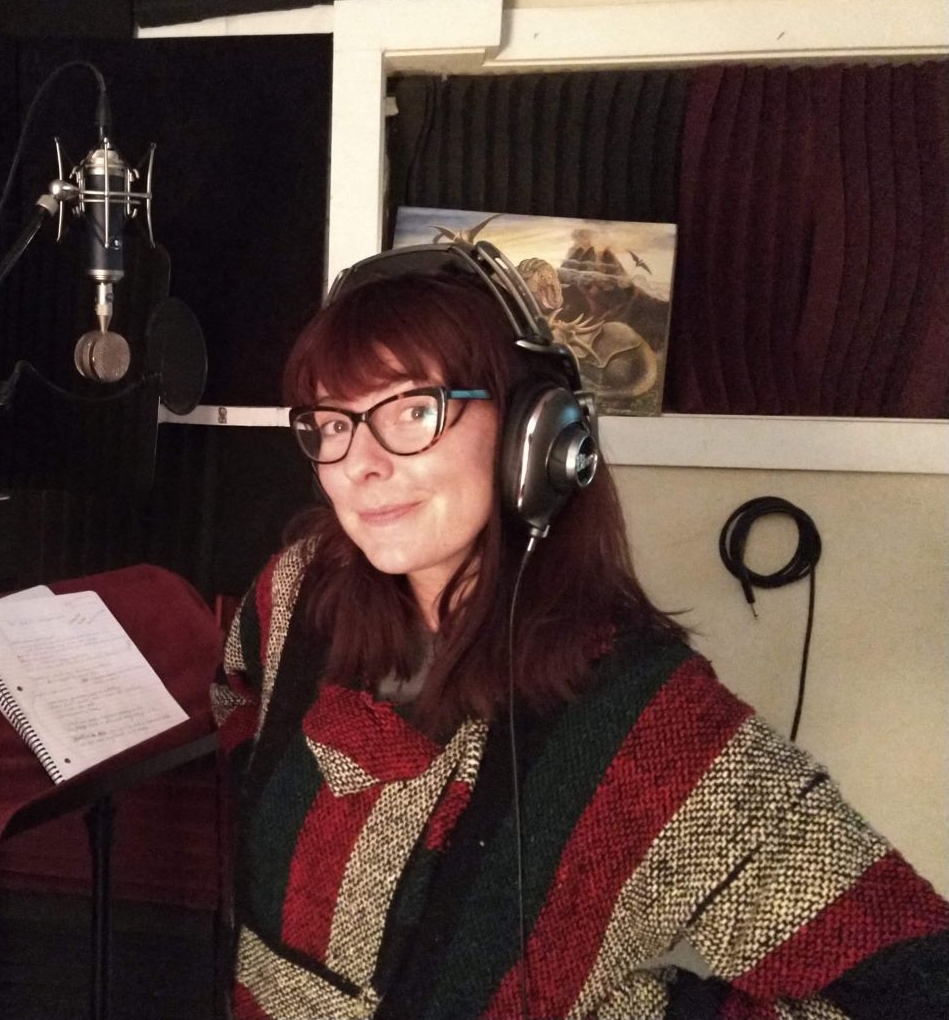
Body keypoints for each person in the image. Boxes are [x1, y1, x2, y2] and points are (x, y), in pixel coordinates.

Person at [211, 243, 948, 1020]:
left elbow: (918, 988)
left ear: (536, 437)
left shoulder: (649, 721)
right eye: (332, 423)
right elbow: (237, 697)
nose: (358, 463)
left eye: (412, 411)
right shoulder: (297, 592)